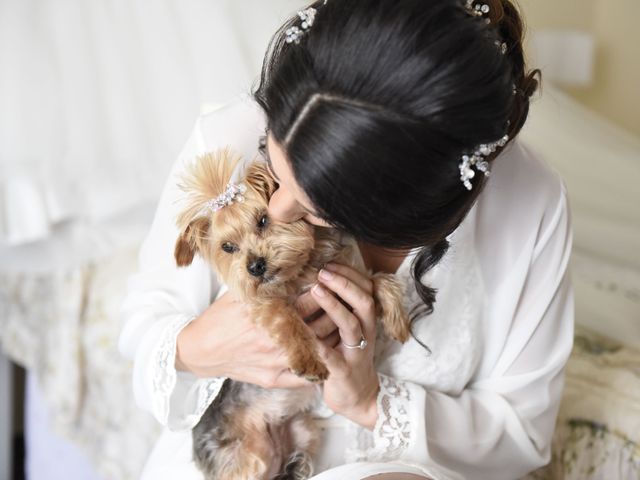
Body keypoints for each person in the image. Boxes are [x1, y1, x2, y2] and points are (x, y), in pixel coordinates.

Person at [118, 0, 575, 479]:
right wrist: (199, 346)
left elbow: (523, 432)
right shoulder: (226, 140)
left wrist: (372, 400)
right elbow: (143, 332)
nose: (276, 210)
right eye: (273, 173)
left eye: (315, 205)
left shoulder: (531, 206)